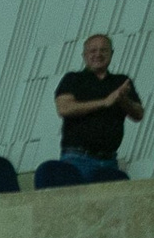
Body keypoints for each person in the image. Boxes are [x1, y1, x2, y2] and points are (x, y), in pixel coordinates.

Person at [52, 32, 145, 180]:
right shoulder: (73, 79)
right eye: (93, 50)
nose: (98, 54)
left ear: (111, 53)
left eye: (103, 50)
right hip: (77, 158)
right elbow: (64, 108)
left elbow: (139, 114)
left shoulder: (121, 81)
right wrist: (105, 102)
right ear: (84, 55)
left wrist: (122, 99)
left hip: (110, 160)